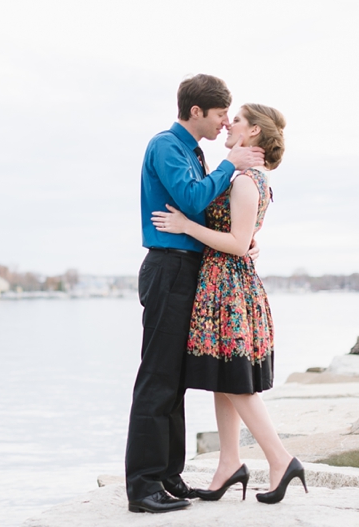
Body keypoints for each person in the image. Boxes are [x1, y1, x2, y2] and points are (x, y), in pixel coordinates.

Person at [151, 103, 307, 504]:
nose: (228, 124)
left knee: (236, 382)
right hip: (224, 285)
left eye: (235, 119)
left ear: (253, 132)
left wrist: (187, 226)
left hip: (229, 289)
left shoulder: (244, 181)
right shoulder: (246, 177)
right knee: (223, 379)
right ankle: (229, 463)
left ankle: (280, 459)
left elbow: (237, 243)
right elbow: (246, 237)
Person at [126, 74, 265, 514]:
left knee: (176, 381)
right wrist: (230, 165)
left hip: (189, 270)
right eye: (221, 113)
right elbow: (191, 199)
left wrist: (244, 241)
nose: (226, 122)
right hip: (168, 269)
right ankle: (143, 486)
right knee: (158, 377)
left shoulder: (193, 151)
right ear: (196, 112)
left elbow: (206, 211)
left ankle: (168, 475)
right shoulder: (167, 145)